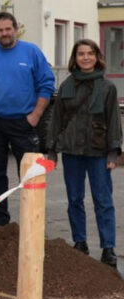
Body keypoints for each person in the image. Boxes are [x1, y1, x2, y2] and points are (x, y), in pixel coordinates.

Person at [0, 12, 55, 227]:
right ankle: (0, 220)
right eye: (0, 30)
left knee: (29, 174)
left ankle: (32, 221)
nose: (4, 33)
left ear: (16, 29)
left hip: (23, 123)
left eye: (8, 29)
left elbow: (46, 85)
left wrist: (35, 116)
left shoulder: (32, 52)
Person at [46, 39, 122, 266]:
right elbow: (56, 120)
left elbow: (114, 122)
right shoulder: (66, 86)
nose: (86, 57)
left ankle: (108, 248)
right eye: (81, 54)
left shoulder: (108, 87)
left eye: (90, 53)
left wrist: (113, 153)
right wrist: (51, 150)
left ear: (97, 57)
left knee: (103, 200)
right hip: (71, 152)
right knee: (74, 199)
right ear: (75, 58)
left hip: (98, 152)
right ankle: (80, 243)